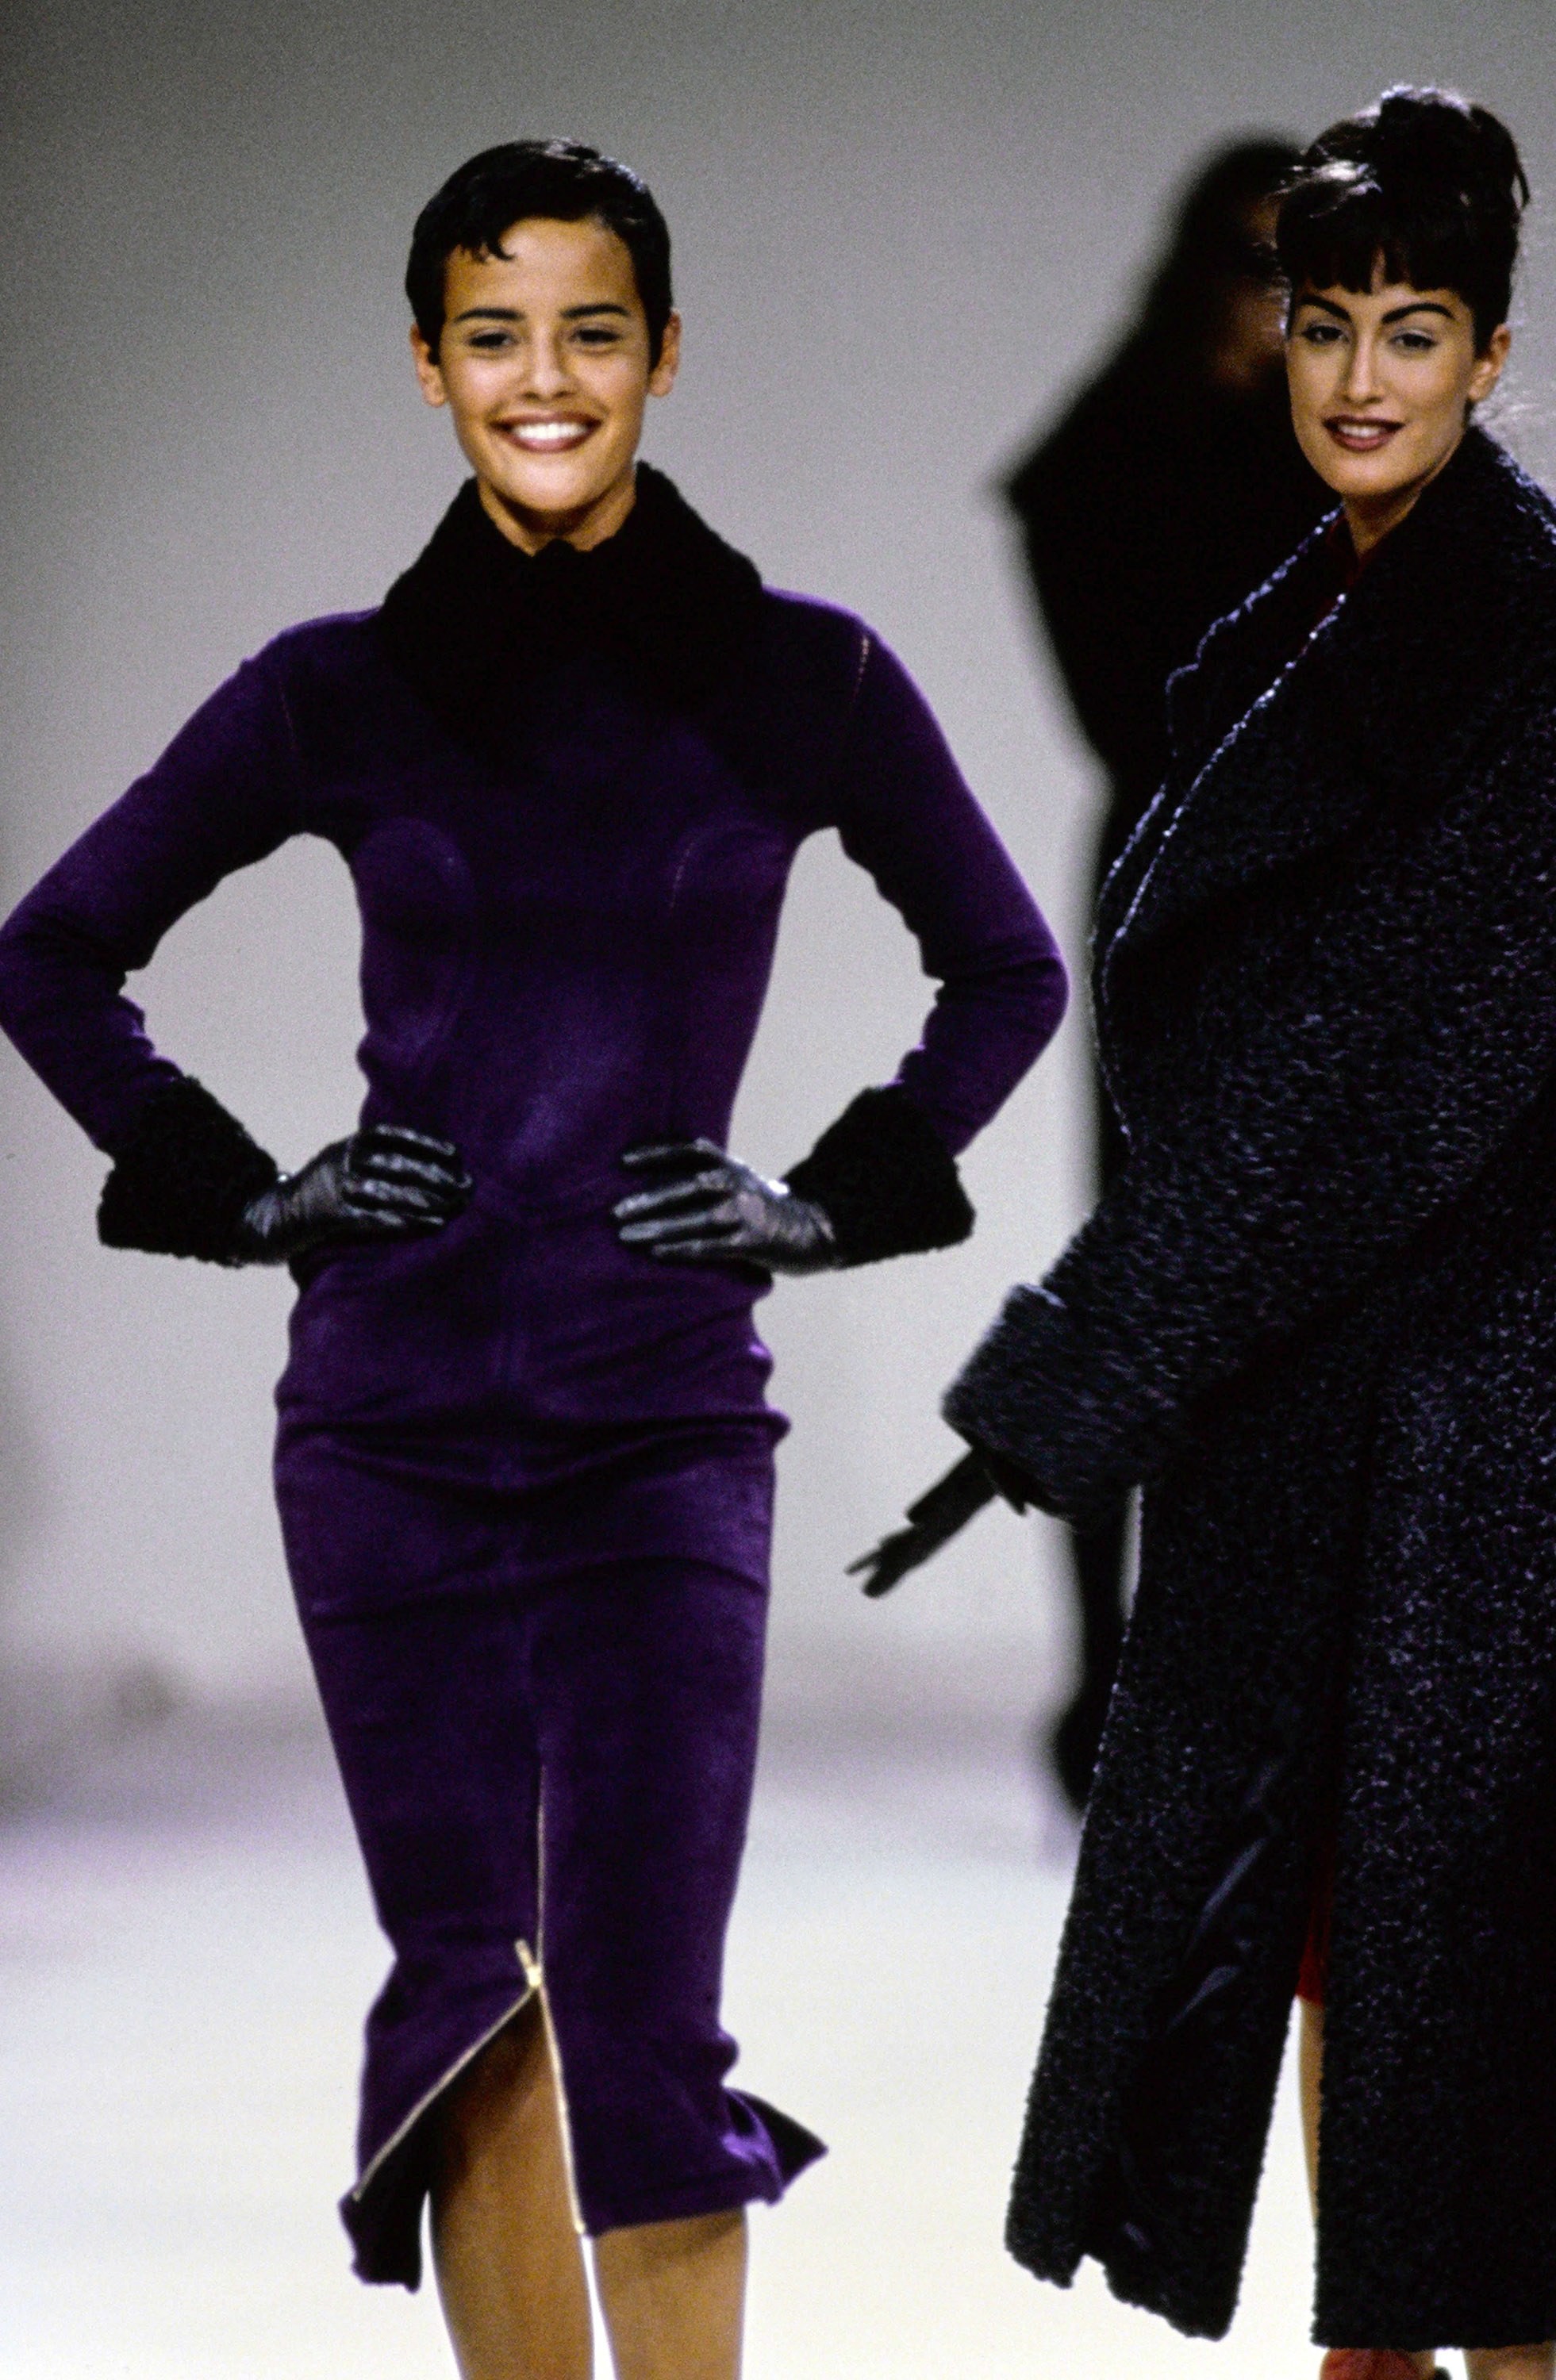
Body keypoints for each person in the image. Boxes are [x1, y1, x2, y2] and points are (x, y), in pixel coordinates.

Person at [0, 141, 1066, 2380]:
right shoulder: (338, 691)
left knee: (649, 2020)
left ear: (665, 352)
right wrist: (243, 1191)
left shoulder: (801, 679)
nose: (545, 377)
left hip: (661, 1424)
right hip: (383, 1429)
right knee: (468, 1987)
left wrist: (828, 1202)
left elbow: (1004, 968)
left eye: (591, 330)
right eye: (494, 335)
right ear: (428, 366)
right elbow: (53, 950)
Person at [928, 85, 1556, 2380]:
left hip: (1487, 1413)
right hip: (1313, 1396)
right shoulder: (1262, 643)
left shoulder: (1524, 638)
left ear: (1491, 353)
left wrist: (1093, 1348)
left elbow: (1399, 1067)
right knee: (1332, 1944)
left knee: (1472, 1980)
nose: (1363, 377)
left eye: (1415, 330)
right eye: (1325, 325)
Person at [1004, 136, 1329, 1810]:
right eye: (1262, 264)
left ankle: (1270, 1688)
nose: (1286, 302)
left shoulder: (1338, 446)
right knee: (1142, 1283)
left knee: (1315, 1294)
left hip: (1330, 903)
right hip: (1177, 897)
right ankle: (1105, 1689)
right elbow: (1124, 710)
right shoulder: (1113, 455)